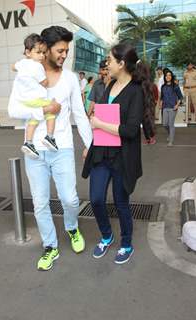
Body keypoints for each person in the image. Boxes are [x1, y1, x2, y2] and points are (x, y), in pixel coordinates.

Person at [8, 26, 92, 271]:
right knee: (40, 203)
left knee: (70, 199)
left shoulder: (70, 79)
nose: (64, 55)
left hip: (62, 147)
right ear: (45, 50)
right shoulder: (26, 74)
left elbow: (79, 113)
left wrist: (90, 144)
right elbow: (14, 110)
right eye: (60, 50)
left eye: (67, 50)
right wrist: (43, 110)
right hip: (34, 150)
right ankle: (50, 247)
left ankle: (72, 227)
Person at [82, 43, 155, 264]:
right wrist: (91, 144)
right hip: (101, 153)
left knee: (121, 202)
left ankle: (126, 243)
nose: (107, 64)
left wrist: (99, 124)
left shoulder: (135, 91)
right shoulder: (109, 85)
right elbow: (103, 117)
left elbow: (131, 130)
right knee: (95, 199)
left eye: (110, 60)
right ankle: (106, 236)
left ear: (121, 64)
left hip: (123, 157)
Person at [12, 33, 58, 158]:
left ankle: (28, 142)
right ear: (28, 52)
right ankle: (49, 137)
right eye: (38, 52)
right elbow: (45, 83)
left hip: (25, 100)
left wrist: (20, 70)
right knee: (51, 112)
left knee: (34, 119)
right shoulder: (37, 66)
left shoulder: (22, 63)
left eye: (43, 53)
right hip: (36, 99)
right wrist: (47, 80)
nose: (42, 56)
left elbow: (13, 67)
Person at [159, 70, 183, 147]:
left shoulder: (175, 86)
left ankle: (171, 141)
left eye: (169, 75)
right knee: (165, 124)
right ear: (165, 77)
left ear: (171, 76)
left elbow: (180, 97)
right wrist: (160, 103)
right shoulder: (163, 86)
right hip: (165, 107)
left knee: (170, 124)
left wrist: (177, 105)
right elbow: (162, 97)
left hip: (173, 108)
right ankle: (170, 134)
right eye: (166, 75)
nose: (168, 77)